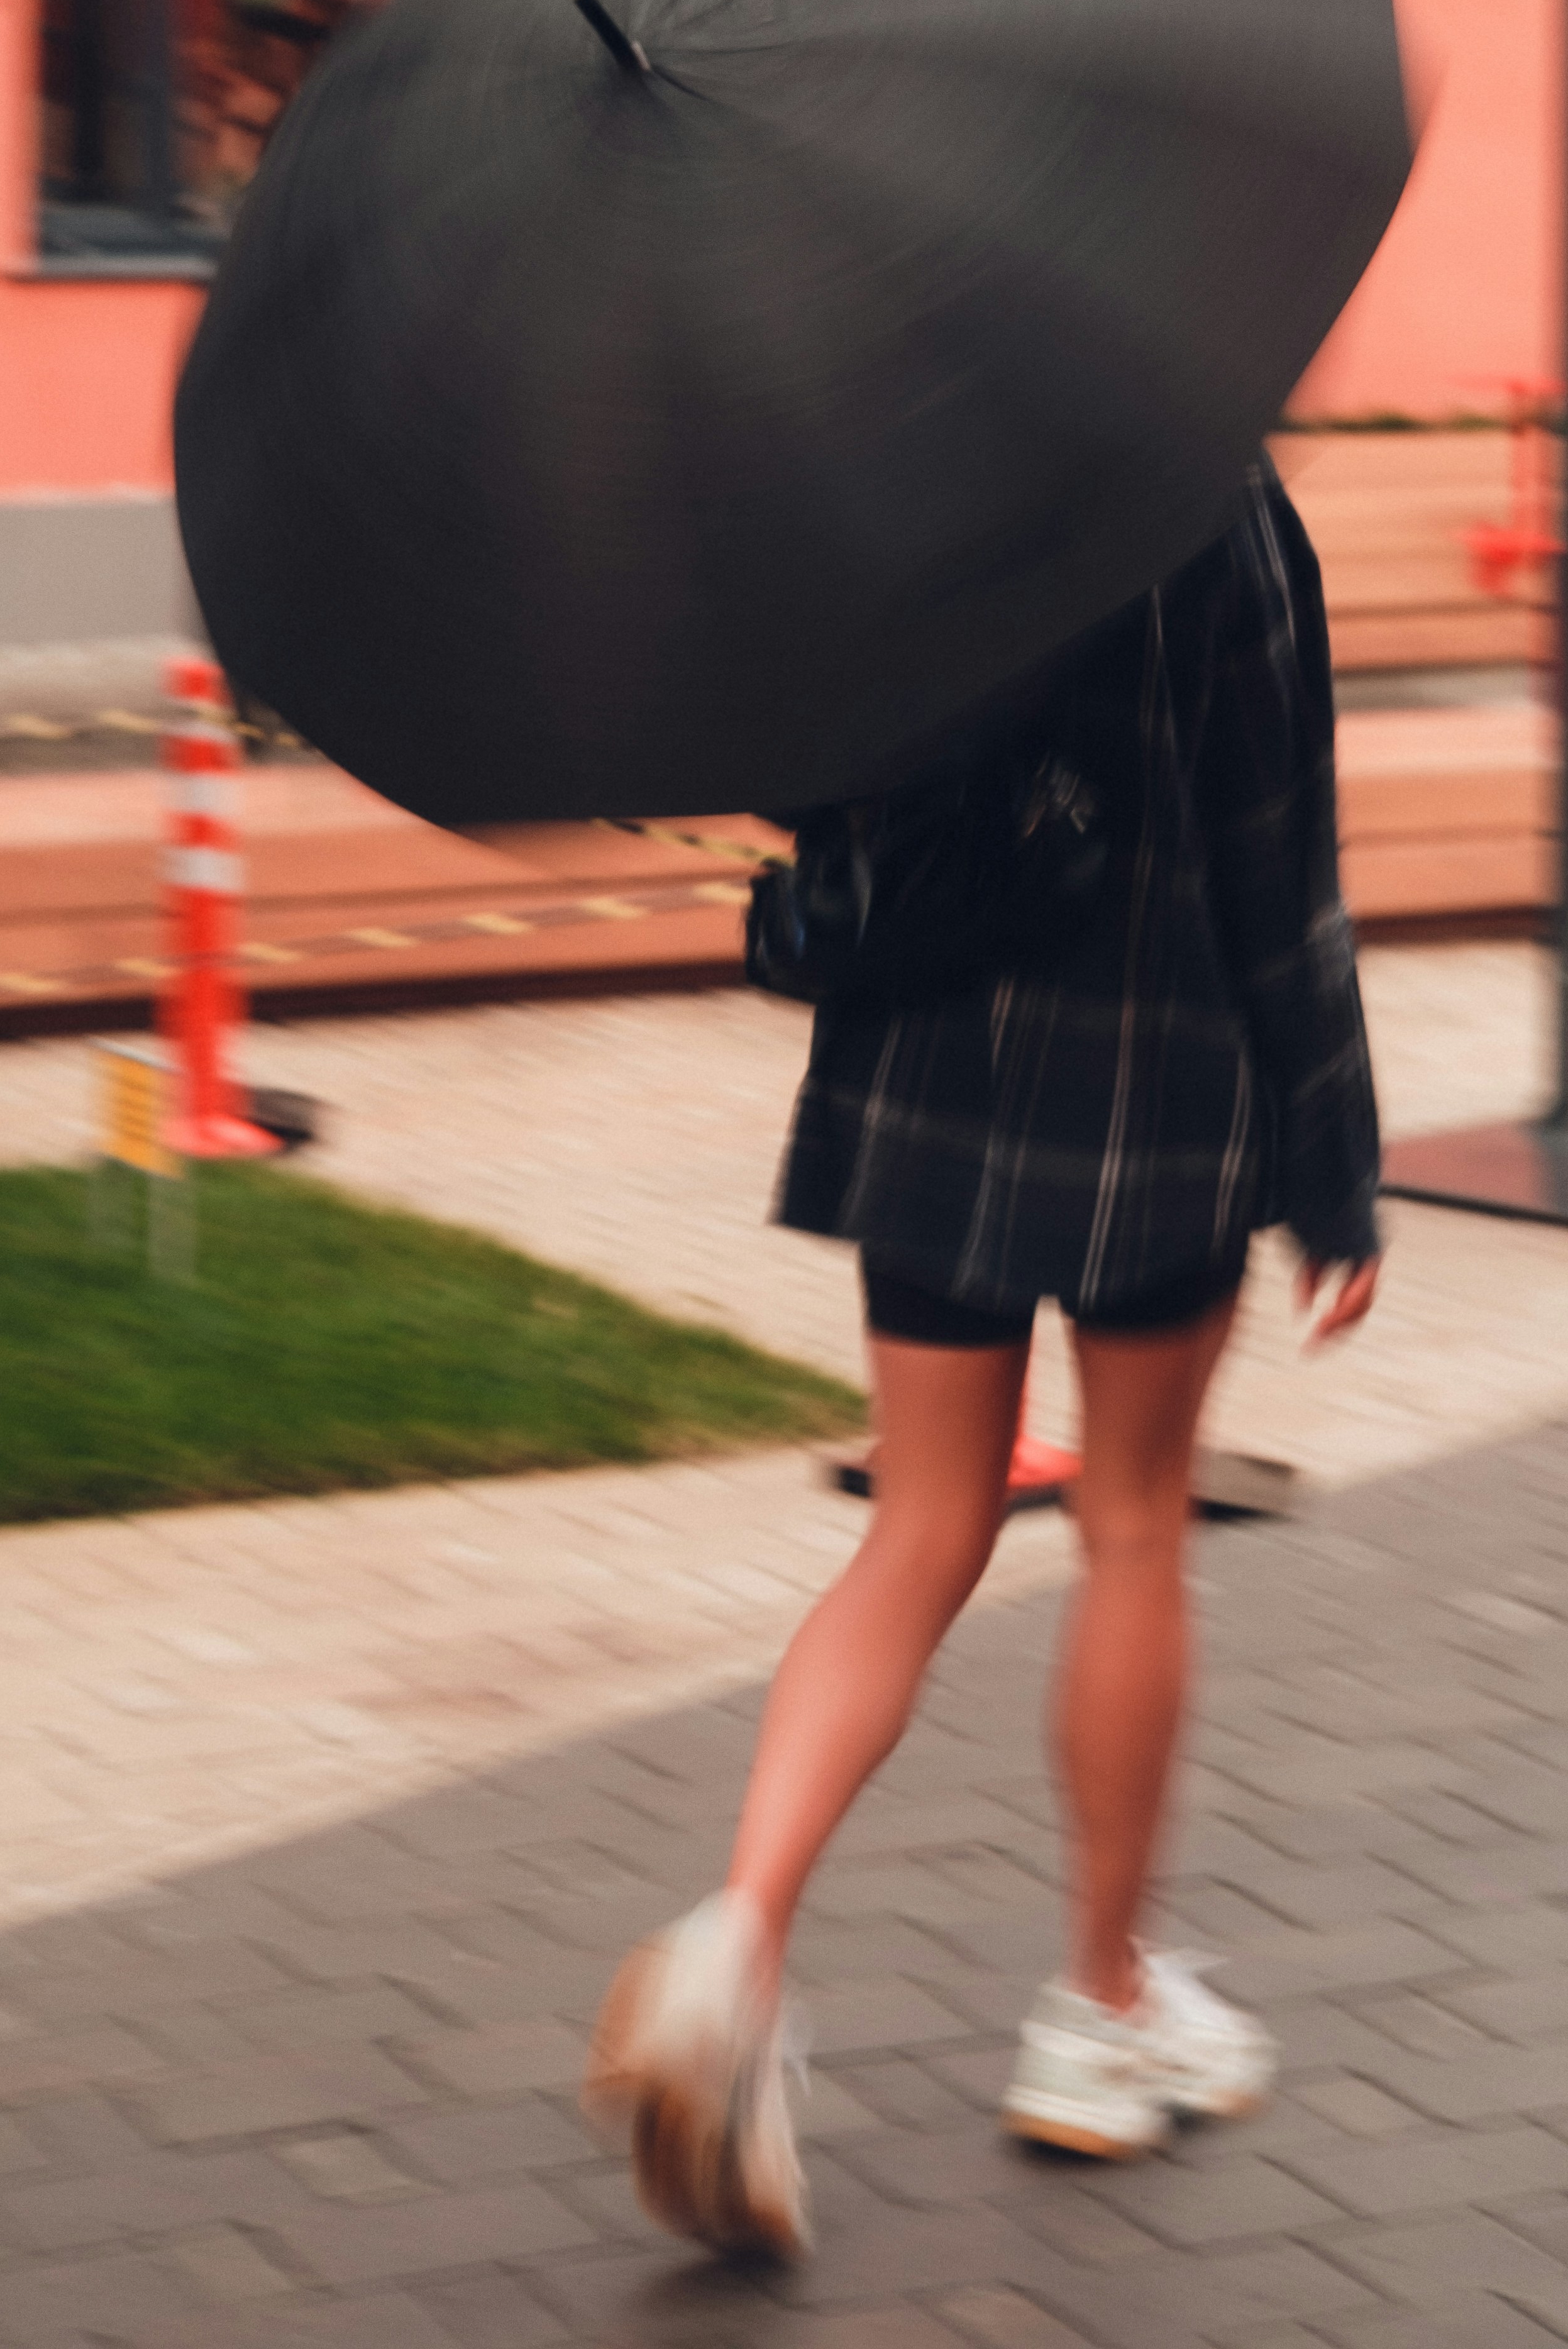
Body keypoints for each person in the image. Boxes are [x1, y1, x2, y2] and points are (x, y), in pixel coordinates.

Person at [583, 462, 1383, 2261]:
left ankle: (737, 1945)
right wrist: (1332, 1162)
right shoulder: (1221, 519)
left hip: (925, 1064)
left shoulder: (896, 495)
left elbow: (803, 779)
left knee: (919, 1526)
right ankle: (1100, 2014)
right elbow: (1280, 861)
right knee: (1131, 1527)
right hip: (1154, 1074)